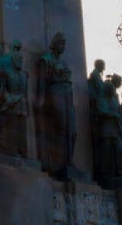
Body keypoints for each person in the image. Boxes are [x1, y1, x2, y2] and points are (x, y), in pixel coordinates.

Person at [37, 32, 75, 176]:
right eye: (61, 43)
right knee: (60, 126)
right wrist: (41, 99)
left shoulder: (64, 62)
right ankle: (57, 163)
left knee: (72, 130)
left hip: (67, 94)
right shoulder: (46, 59)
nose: (63, 46)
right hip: (55, 92)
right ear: (55, 43)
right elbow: (42, 81)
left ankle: (68, 161)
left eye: (65, 43)